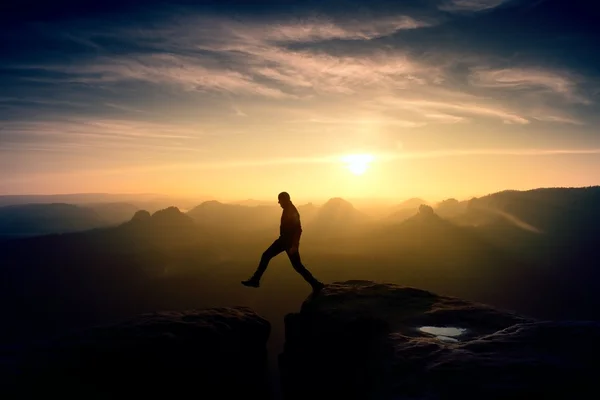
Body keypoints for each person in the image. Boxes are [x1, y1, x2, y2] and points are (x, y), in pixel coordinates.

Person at [241, 192, 325, 292]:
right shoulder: (288, 209)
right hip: (284, 241)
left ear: (285, 200)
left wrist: (294, 246)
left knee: (294, 265)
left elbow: (298, 229)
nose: (278, 202)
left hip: (288, 243)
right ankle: (316, 284)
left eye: (280, 200)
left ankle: (316, 284)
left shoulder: (291, 211)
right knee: (293, 265)